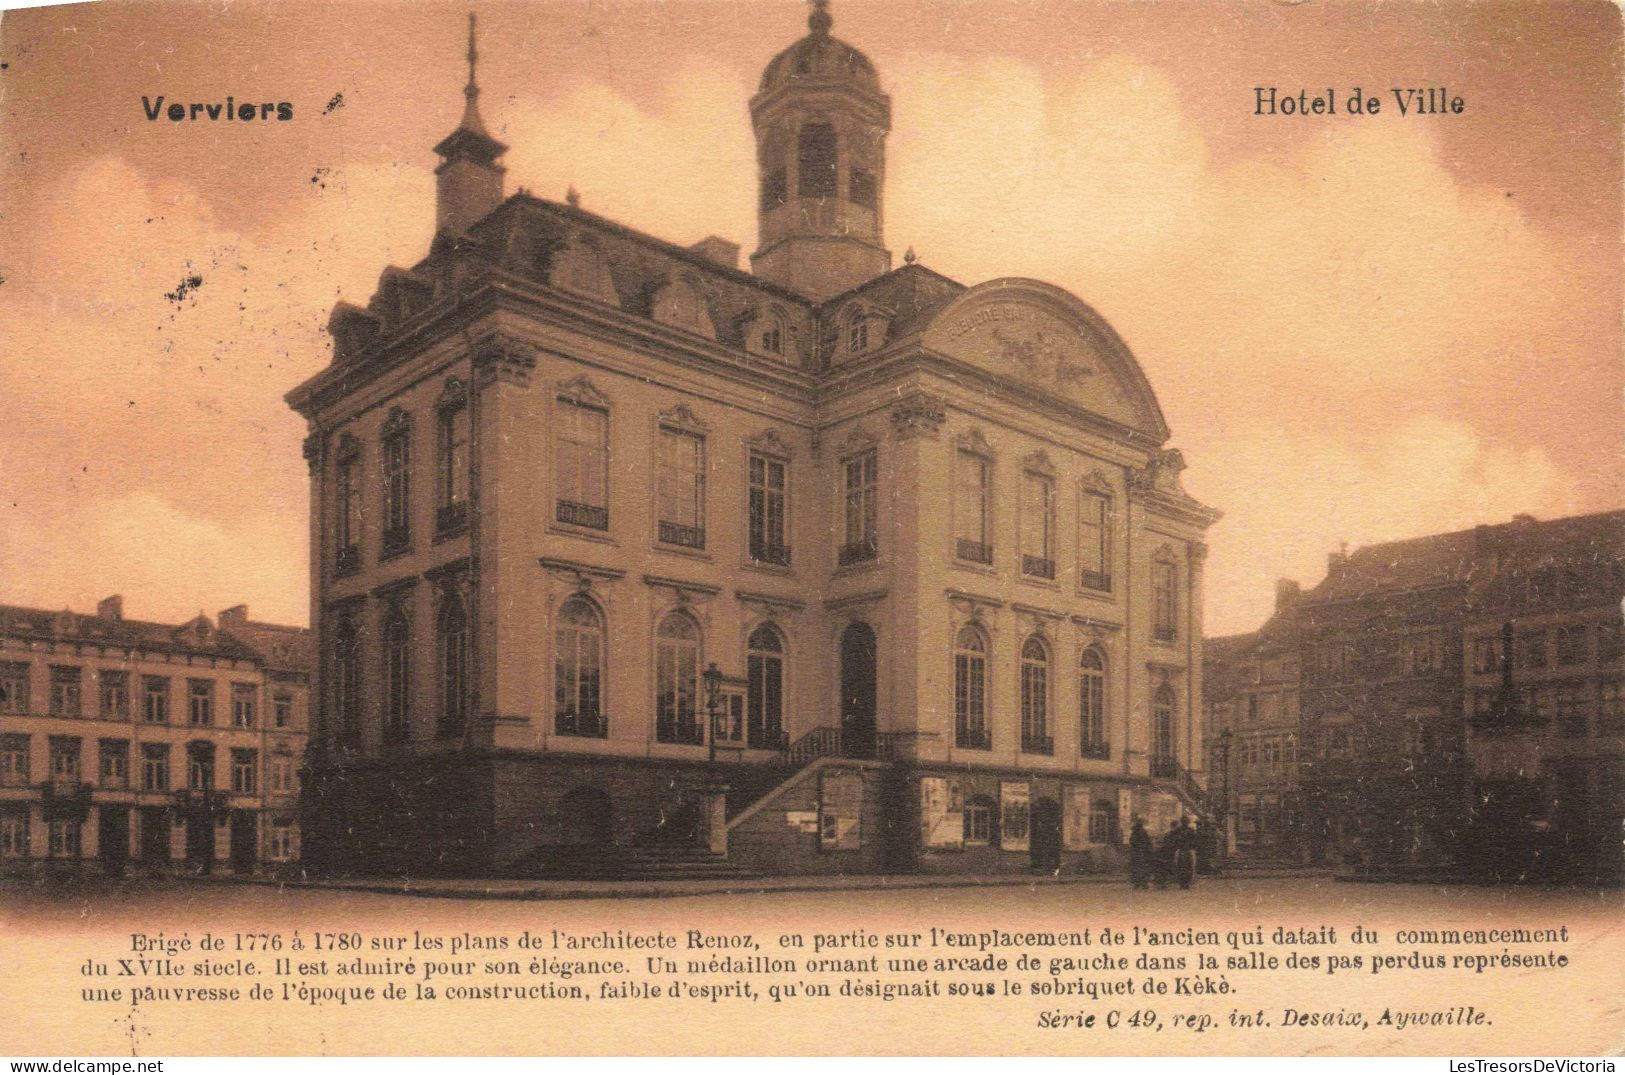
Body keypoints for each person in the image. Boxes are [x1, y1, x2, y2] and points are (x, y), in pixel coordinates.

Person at [1173, 815, 1198, 889]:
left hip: (1181, 850)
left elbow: (1174, 841)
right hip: (1187, 851)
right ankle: (1186, 883)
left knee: (1181, 867)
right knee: (1188, 867)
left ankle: (1182, 883)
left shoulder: (1178, 830)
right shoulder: (1191, 830)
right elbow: (1195, 841)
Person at [1129, 816, 1153, 889]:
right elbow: (1148, 842)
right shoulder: (1143, 832)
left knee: (1136, 868)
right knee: (1143, 868)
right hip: (1142, 852)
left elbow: (1131, 842)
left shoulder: (1134, 832)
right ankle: (1143, 883)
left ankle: (1137, 883)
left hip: (1136, 852)